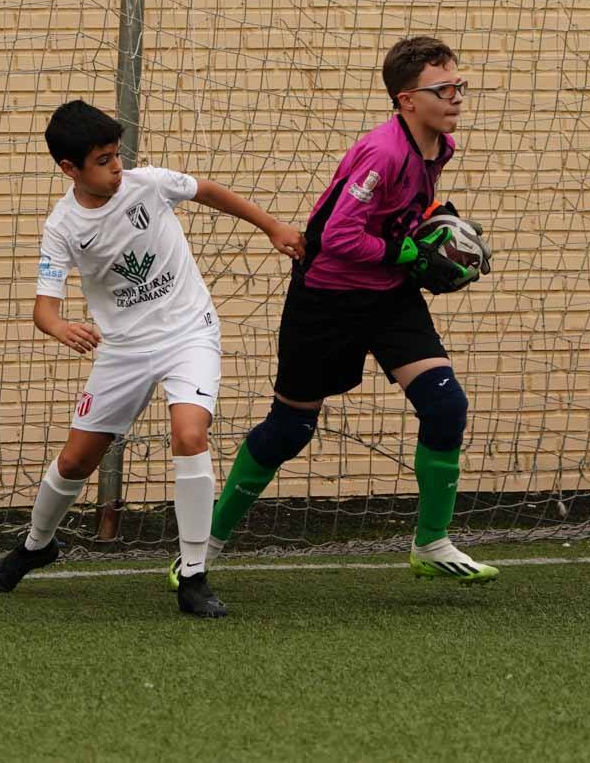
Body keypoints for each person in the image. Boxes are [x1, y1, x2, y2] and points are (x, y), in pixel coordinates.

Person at [170, 35, 496, 588]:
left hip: (388, 296)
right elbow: (340, 235)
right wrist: (404, 250)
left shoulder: (440, 148)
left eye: (459, 85)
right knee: (289, 430)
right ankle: (202, 548)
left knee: (445, 406)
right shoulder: (383, 152)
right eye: (443, 89)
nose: (456, 97)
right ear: (406, 100)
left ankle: (432, 543)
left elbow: (395, 218)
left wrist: (429, 225)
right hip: (325, 298)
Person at [0, 100, 304, 618]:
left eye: (116, 156)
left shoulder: (147, 184)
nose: (116, 168)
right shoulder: (62, 227)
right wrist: (62, 327)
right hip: (124, 351)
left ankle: (194, 574)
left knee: (190, 435)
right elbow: (45, 309)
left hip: (188, 333)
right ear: (70, 169)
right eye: (103, 160)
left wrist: (271, 227)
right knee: (74, 462)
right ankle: (36, 547)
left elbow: (209, 192)